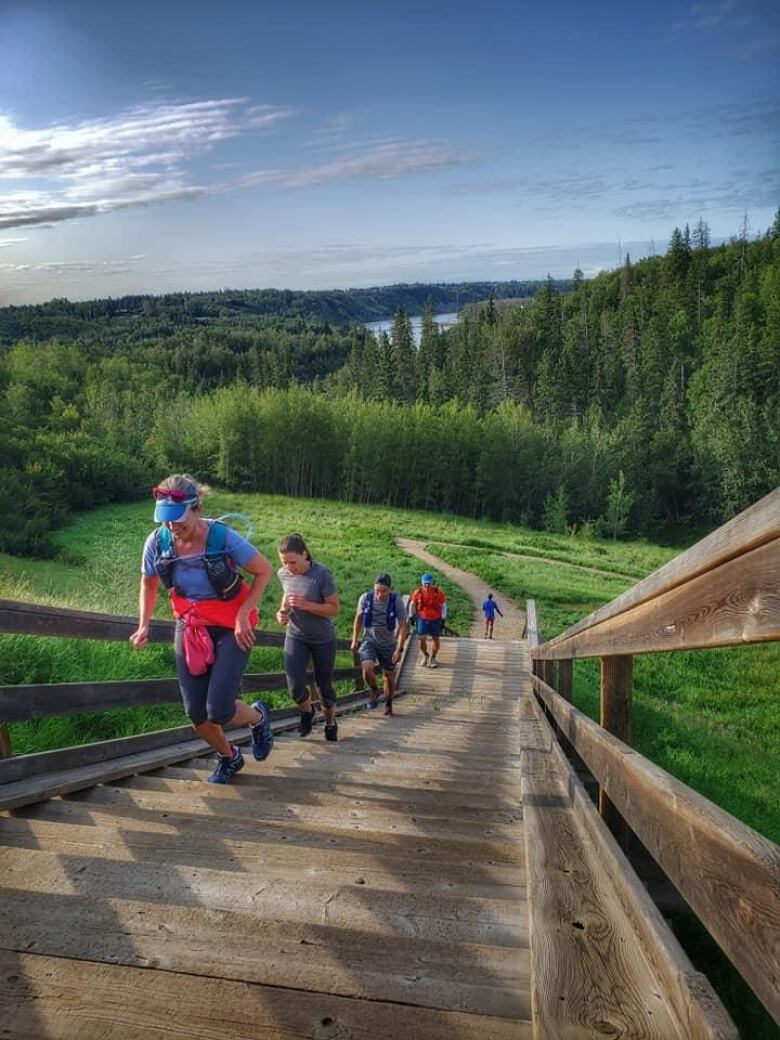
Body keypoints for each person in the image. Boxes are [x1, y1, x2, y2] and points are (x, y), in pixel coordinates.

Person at [130, 474, 275, 784]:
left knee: (219, 709)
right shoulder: (157, 542)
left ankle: (258, 717)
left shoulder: (223, 538)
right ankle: (230, 756)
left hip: (231, 625)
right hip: (191, 624)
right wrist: (143, 624)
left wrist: (244, 613)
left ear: (197, 508)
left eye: (178, 520)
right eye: (166, 521)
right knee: (196, 713)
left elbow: (264, 571)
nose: (172, 527)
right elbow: (149, 582)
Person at [276, 533, 340, 741]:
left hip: (323, 638)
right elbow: (287, 594)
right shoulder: (283, 573)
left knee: (324, 686)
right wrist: (282, 611)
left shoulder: (321, 574)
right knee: (294, 684)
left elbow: (334, 609)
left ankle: (330, 723)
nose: (289, 566)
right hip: (296, 634)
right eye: (284, 562)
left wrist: (306, 605)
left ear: (305, 555)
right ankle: (306, 712)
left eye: (293, 561)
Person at [351, 573, 408, 716]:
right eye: (377, 590)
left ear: (389, 589)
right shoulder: (365, 598)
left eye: (383, 591)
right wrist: (354, 639)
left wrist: (399, 649)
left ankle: (388, 703)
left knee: (388, 675)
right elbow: (358, 618)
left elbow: (403, 626)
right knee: (367, 669)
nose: (379, 594)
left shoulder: (396, 601)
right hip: (369, 639)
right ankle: (374, 690)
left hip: (388, 643)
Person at [410, 572, 447, 668]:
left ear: (432, 583)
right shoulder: (418, 592)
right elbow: (412, 604)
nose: (427, 585)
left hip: (435, 618)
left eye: (429, 583)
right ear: (422, 583)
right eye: (425, 583)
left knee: (436, 639)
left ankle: (433, 657)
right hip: (422, 618)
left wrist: (443, 618)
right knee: (421, 639)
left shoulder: (438, 593)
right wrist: (411, 616)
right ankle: (425, 655)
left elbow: (443, 605)